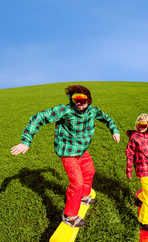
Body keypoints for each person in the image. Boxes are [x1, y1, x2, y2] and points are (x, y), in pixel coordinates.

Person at [11, 85, 120, 228]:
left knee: (89, 171)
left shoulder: (93, 111)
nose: (79, 103)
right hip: (68, 152)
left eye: (82, 99)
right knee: (77, 183)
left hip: (81, 150)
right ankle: (69, 216)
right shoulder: (65, 110)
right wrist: (26, 141)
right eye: (75, 99)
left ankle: (84, 196)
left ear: (89, 100)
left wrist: (114, 130)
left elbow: (106, 118)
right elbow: (40, 117)